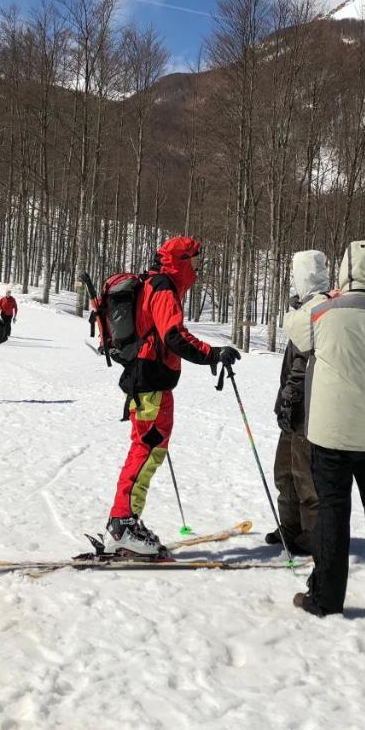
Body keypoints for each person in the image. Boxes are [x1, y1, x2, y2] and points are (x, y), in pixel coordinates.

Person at [284, 240, 365, 617]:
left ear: (343, 271)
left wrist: (318, 297)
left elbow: (293, 328)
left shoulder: (323, 313)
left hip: (329, 434)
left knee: (332, 514)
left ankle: (326, 598)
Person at [103, 236, 240, 556]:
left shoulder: (154, 283)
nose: (198, 268)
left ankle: (125, 520)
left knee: (147, 449)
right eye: (195, 260)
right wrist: (212, 353)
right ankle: (122, 524)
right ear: (181, 261)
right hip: (150, 381)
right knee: (146, 450)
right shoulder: (162, 287)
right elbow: (174, 336)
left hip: (147, 380)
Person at [268, 250, 329, 556]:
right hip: (293, 402)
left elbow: (304, 362)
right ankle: (290, 527)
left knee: (305, 473)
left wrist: (291, 395)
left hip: (308, 404)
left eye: (296, 275)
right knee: (285, 470)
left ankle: (311, 532)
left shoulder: (319, 309)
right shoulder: (304, 308)